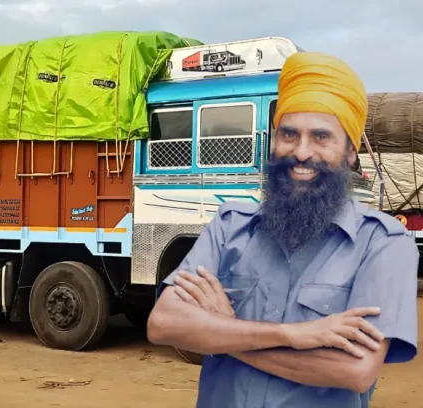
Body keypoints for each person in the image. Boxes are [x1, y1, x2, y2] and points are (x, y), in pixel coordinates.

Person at [146, 52, 418, 408]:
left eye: (321, 137)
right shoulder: (230, 227)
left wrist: (226, 331)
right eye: (289, 134)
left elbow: (355, 370)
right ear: (274, 141)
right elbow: (164, 325)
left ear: (351, 151)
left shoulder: (383, 244)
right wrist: (293, 335)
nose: (301, 152)